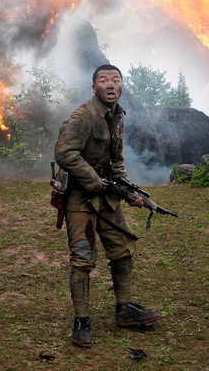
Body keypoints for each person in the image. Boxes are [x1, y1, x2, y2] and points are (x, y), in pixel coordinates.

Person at [53, 64, 161, 347]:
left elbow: (117, 160)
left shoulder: (118, 116)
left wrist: (129, 191)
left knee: (122, 250)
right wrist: (92, 180)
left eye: (115, 80)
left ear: (122, 86)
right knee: (83, 258)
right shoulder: (85, 115)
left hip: (108, 198)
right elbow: (64, 152)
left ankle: (124, 310)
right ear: (94, 88)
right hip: (80, 197)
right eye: (103, 80)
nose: (110, 84)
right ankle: (82, 321)